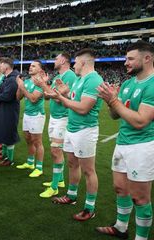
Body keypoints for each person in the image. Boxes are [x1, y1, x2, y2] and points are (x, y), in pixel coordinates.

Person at [96, 40, 154, 239]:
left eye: (130, 59)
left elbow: (141, 121)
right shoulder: (128, 83)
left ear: (147, 58)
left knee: (140, 197)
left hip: (143, 146)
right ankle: (121, 227)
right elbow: (115, 116)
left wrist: (114, 100)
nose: (125, 63)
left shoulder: (153, 84)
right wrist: (110, 101)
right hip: (123, 143)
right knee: (120, 188)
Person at [47, 49, 103, 221]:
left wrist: (61, 97)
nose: (74, 66)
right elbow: (74, 100)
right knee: (72, 163)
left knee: (88, 170)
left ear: (84, 63)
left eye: (76, 63)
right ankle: (71, 196)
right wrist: (64, 93)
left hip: (85, 130)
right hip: (72, 128)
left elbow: (83, 108)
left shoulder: (94, 79)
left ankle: (89, 208)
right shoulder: (79, 79)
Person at [33, 53, 78, 198]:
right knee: (55, 151)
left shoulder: (69, 76)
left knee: (55, 151)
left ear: (64, 60)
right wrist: (44, 85)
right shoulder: (59, 76)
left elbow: (58, 98)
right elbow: (47, 96)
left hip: (63, 118)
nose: (54, 61)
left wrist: (43, 85)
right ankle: (60, 181)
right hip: (55, 117)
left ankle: (54, 187)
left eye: (56, 59)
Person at [16, 60, 46, 178]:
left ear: (40, 70)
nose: (30, 67)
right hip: (27, 114)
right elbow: (18, 97)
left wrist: (22, 87)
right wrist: (20, 86)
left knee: (37, 141)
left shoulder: (40, 83)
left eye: (34, 66)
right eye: (30, 66)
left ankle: (39, 168)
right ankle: (30, 162)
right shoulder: (27, 81)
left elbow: (33, 99)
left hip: (37, 115)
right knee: (28, 139)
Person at [0, 57, 20, 166]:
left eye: (0, 65)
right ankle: (5, 154)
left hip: (9, 111)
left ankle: (9, 160)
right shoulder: (8, 78)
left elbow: (7, 96)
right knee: (4, 133)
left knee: (9, 135)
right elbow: (4, 92)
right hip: (5, 110)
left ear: (6, 66)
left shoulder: (12, 79)